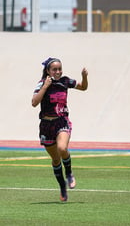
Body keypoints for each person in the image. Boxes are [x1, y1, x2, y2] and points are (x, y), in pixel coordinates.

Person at [32, 57, 88, 202]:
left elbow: (83, 87)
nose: (57, 72)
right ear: (48, 71)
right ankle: (62, 186)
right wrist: (45, 86)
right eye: (54, 69)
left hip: (62, 121)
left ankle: (69, 174)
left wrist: (84, 77)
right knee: (56, 159)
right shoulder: (41, 84)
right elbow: (34, 102)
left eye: (59, 69)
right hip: (46, 125)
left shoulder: (65, 81)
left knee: (62, 148)